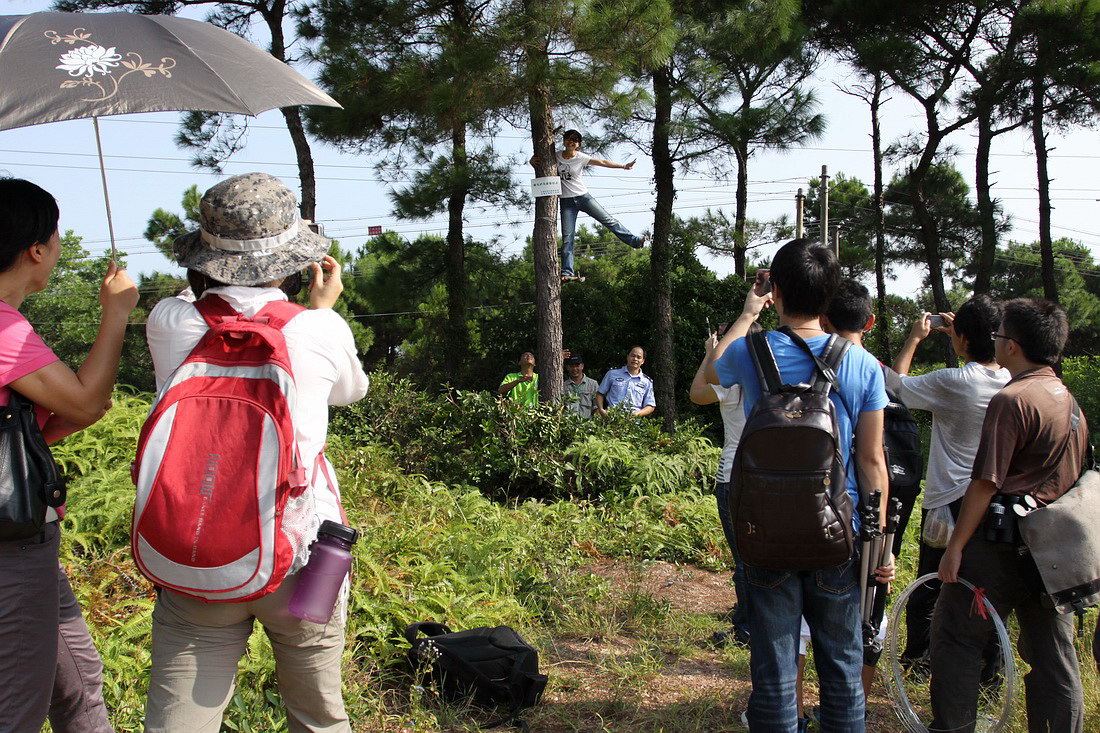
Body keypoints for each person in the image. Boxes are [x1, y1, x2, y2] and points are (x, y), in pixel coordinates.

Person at [143, 173, 369, 732]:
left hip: (197, 550)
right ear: (294, 257)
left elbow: (187, 298)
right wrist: (322, 309)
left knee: (180, 723)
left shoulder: (170, 324)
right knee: (317, 715)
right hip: (302, 555)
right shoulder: (319, 328)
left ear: (204, 253)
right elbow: (351, 392)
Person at [707, 239, 894, 732]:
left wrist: (750, 313)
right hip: (838, 529)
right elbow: (873, 462)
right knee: (842, 668)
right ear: (831, 295)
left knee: (772, 670)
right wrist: (881, 545)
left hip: (765, 531)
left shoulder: (753, 351)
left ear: (779, 290)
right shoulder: (862, 364)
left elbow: (707, 376)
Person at [0, 178, 138, 732]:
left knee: (77, 683)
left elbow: (31, 428)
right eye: (56, 240)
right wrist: (117, 312)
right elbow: (84, 402)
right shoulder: (5, 329)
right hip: (10, 544)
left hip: (27, 538)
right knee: (17, 706)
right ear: (38, 248)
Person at [933, 298, 1086, 733]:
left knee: (957, 640)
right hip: (1053, 551)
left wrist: (956, 547)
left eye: (999, 336)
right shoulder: (1067, 400)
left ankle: (953, 728)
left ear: (1013, 346)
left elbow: (985, 482)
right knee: (1054, 656)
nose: (994, 341)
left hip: (1000, 546)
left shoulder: (1013, 399)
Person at [887, 296, 1010, 669]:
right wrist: (965, 335)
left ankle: (919, 658)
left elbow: (895, 386)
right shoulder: (1010, 380)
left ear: (964, 339)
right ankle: (988, 671)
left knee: (930, 583)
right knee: (985, 590)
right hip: (993, 500)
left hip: (949, 501)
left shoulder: (954, 381)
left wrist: (914, 339)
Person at [690, 325, 751, 647]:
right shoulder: (774, 378)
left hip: (733, 478)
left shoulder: (730, 380)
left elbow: (697, 393)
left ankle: (746, 630)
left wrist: (709, 352)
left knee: (743, 559)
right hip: (768, 477)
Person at [530, 129, 647, 282]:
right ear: (564, 141)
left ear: (578, 144)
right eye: (569, 139)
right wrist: (532, 161)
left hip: (583, 197)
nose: (571, 142)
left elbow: (602, 162)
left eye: (575, 140)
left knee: (609, 221)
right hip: (566, 202)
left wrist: (623, 166)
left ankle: (635, 241)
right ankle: (567, 271)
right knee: (568, 237)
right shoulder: (555, 155)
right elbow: (539, 159)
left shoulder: (580, 158)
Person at [596, 346, 656, 417]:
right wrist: (601, 410)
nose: (635, 359)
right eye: (633, 356)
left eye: (639, 357)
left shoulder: (646, 382)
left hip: (633, 423)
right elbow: (600, 393)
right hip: (612, 418)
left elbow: (650, 405)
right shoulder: (612, 374)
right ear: (627, 357)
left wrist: (638, 414)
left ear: (643, 361)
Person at [562, 352, 598, 418]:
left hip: (587, 425)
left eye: (577, 365)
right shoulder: (563, 386)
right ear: (567, 367)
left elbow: (596, 407)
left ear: (582, 366)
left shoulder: (593, 384)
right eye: (572, 366)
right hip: (568, 425)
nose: (574, 368)